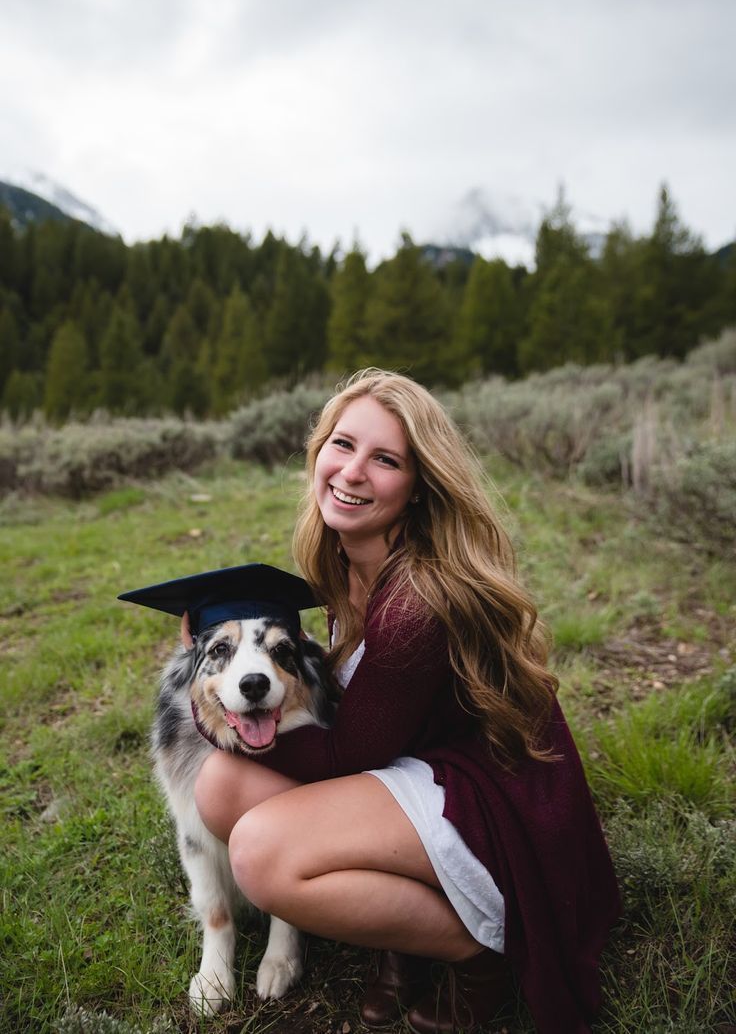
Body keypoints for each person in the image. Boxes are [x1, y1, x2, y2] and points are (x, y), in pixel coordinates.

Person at [188, 368, 620, 1034]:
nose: (352, 471)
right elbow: (349, 721)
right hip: (415, 760)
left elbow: (348, 750)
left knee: (259, 852)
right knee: (220, 785)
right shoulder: (344, 560)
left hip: (494, 797)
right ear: (318, 451)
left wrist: (212, 707)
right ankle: (401, 933)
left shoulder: (416, 598)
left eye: (385, 459)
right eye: (342, 444)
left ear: (418, 487)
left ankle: (475, 953)